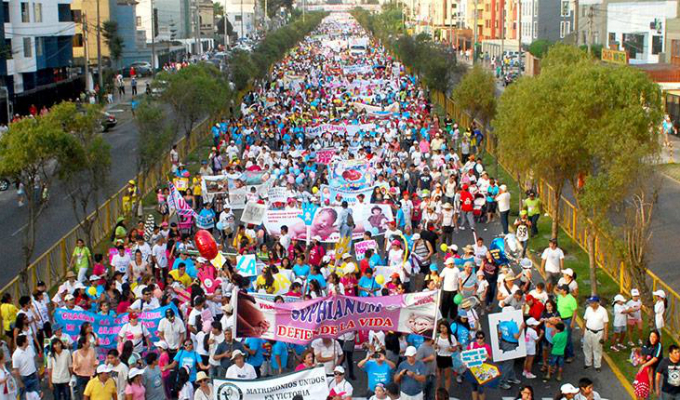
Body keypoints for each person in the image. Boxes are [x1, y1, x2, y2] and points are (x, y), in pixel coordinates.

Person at [583, 296, 608, 372]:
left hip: (598, 333)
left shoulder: (603, 311)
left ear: (597, 303)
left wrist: (605, 335)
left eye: (592, 303)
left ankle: (597, 365)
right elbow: (585, 320)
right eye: (590, 302)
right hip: (588, 331)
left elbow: (606, 324)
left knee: (597, 349)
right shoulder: (588, 309)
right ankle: (588, 363)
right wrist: (583, 330)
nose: (591, 304)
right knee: (587, 347)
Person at [12, 335, 38, 400]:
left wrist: (37, 370)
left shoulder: (30, 348)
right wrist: (20, 383)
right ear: (23, 343)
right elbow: (16, 370)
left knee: (36, 395)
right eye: (27, 340)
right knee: (24, 397)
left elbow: (34, 360)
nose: (28, 340)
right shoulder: (15, 355)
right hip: (24, 378)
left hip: (34, 375)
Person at [555, 284, 577, 363]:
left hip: (567, 320)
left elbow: (575, 311)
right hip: (559, 319)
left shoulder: (571, 299)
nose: (559, 290)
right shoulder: (560, 296)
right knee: (561, 337)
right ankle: (564, 354)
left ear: (565, 291)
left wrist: (572, 322)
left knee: (567, 338)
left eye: (561, 289)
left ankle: (570, 355)